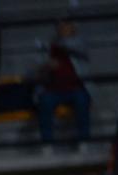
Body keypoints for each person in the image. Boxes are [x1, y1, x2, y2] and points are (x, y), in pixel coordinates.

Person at [37, 18, 90, 148]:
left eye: (65, 26)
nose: (61, 29)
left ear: (72, 28)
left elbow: (75, 49)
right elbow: (37, 70)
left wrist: (53, 44)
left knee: (82, 100)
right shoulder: (50, 48)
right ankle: (47, 143)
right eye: (59, 27)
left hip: (75, 88)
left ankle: (84, 141)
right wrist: (47, 66)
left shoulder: (79, 43)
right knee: (44, 101)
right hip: (54, 90)